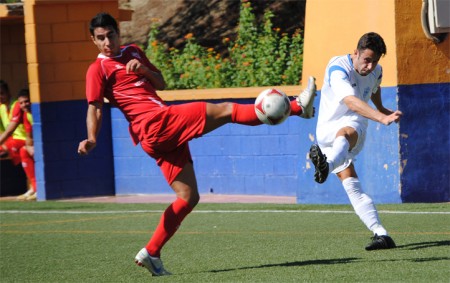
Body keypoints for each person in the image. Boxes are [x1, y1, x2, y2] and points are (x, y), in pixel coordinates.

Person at [78, 12, 316, 276]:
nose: (107, 42)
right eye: (100, 38)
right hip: (155, 123)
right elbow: (95, 108)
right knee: (226, 110)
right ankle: (297, 107)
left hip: (159, 133)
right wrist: (92, 138)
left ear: (118, 33)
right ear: (93, 40)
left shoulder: (133, 51)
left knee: (189, 197)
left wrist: (144, 69)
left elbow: (161, 82)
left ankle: (152, 252)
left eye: (110, 35)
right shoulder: (97, 69)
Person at [309, 32, 402, 251]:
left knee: (346, 132)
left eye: (375, 61)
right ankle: (382, 234)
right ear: (355, 53)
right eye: (366, 60)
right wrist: (381, 117)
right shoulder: (338, 67)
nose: (370, 66)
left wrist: (380, 109)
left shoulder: (377, 71)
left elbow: (374, 87)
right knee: (353, 188)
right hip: (325, 133)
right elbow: (351, 101)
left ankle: (327, 165)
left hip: (353, 125)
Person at [0, 88, 37, 201]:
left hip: (20, 140)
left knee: (4, 151)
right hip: (22, 142)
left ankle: (36, 187)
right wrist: (30, 147)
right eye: (22, 103)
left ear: (8, 92)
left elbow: (9, 131)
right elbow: (29, 134)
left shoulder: (21, 107)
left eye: (26, 101)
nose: (24, 105)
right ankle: (34, 187)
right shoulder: (25, 114)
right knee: (24, 151)